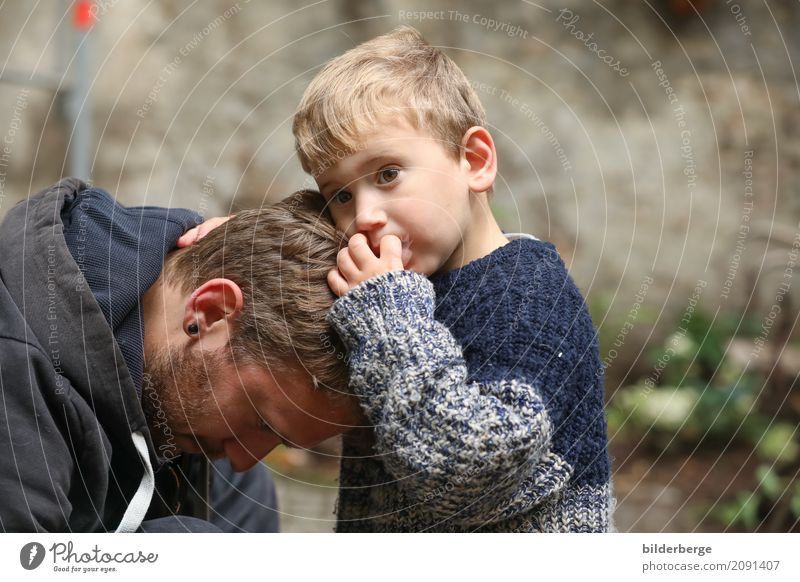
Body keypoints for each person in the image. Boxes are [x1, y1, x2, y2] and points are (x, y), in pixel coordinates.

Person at [291, 25, 614, 532]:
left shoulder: (529, 294)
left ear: (475, 161)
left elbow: (465, 472)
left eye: (387, 173)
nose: (365, 216)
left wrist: (386, 317)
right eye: (341, 196)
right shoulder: (393, 286)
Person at [0, 178, 361, 532]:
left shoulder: (204, 441)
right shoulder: (16, 360)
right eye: (261, 421)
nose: (242, 459)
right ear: (209, 312)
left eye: (279, 440)